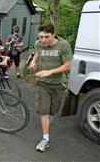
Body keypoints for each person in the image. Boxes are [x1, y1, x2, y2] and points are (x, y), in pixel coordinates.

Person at [29, 23, 72, 152]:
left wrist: (50, 71)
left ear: (53, 34)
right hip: (43, 83)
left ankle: (48, 119)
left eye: (46, 37)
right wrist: (33, 62)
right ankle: (45, 139)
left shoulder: (63, 45)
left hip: (58, 84)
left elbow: (68, 65)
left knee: (53, 110)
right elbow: (38, 52)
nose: (43, 40)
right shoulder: (39, 44)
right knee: (44, 111)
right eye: (40, 37)